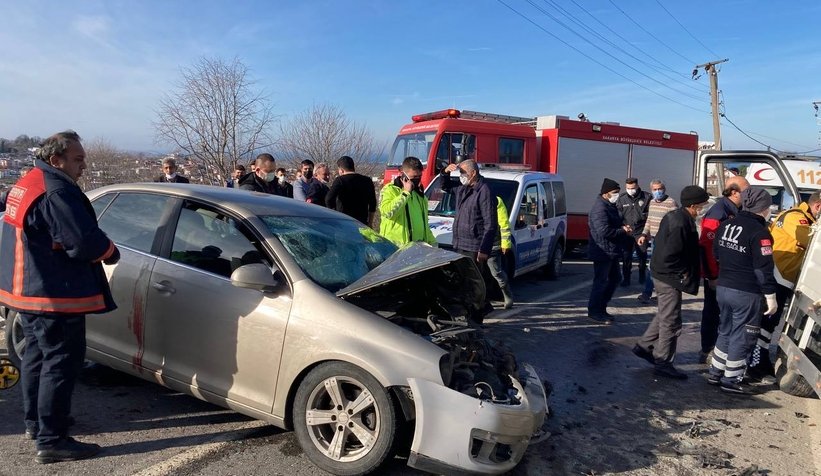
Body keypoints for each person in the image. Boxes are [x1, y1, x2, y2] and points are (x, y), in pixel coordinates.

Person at [0, 131, 119, 463]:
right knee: (61, 363)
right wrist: (110, 251)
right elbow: (83, 243)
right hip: (53, 294)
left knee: (38, 359)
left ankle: (36, 423)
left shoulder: (29, 181)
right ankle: (53, 440)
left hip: (29, 292)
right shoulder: (56, 191)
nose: (83, 166)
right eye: (78, 160)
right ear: (57, 160)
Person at [633, 186, 710, 379]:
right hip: (668, 277)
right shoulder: (680, 222)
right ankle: (663, 362)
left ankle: (644, 346)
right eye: (702, 205)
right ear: (693, 206)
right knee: (671, 321)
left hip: (663, 274)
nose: (703, 209)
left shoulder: (677, 216)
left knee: (664, 314)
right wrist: (682, 274)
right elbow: (671, 254)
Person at [708, 188, 777, 395]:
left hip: (724, 287)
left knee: (726, 330)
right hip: (746, 292)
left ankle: (715, 372)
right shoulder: (760, 232)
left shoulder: (726, 225)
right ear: (763, 208)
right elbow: (763, 269)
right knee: (744, 335)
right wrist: (771, 295)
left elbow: (716, 253)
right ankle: (731, 379)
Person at [747, 191, 821, 380]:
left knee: (771, 324)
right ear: (818, 206)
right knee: (766, 323)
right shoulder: (797, 219)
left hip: (783, 277)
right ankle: (755, 364)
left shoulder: (802, 217)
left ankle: (761, 361)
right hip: (778, 276)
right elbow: (810, 241)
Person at [699, 175, 750, 362]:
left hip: (729, 273)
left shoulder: (736, 210)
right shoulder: (718, 212)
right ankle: (708, 349)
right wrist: (712, 276)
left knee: (724, 313)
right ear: (734, 192)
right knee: (712, 311)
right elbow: (707, 245)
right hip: (717, 275)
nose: (748, 194)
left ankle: (721, 348)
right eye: (746, 190)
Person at [442, 160, 499, 313]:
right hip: (460, 244)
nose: (461, 176)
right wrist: (445, 172)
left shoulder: (484, 191)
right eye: (459, 172)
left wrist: (484, 249)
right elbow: (445, 187)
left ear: (473, 173)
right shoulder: (463, 189)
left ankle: (478, 314)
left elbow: (490, 224)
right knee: (462, 284)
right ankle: (467, 313)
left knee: (475, 285)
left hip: (474, 247)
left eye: (463, 173)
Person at [587, 178, 631, 323]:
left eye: (618, 192)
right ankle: (595, 311)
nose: (617, 195)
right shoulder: (600, 208)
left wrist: (623, 226)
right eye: (614, 192)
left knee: (615, 279)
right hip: (603, 251)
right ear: (605, 193)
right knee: (601, 281)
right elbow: (604, 231)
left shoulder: (609, 205)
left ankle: (601, 307)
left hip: (611, 250)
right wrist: (622, 231)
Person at [379, 156, 437, 246]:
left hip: (416, 249)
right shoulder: (390, 190)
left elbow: (424, 224)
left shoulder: (419, 196)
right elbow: (387, 212)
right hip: (394, 248)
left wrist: (432, 243)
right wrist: (405, 193)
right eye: (413, 177)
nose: (417, 179)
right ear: (403, 174)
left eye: (419, 176)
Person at [636, 179, 679, 303]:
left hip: (666, 240)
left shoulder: (671, 203)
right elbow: (649, 219)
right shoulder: (652, 202)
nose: (658, 191)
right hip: (655, 239)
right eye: (655, 189)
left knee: (662, 267)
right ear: (651, 190)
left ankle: (656, 293)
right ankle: (650, 293)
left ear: (664, 189)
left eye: (660, 189)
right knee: (653, 267)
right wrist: (644, 234)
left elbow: (676, 223)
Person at [617, 177, 651, 286]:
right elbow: (617, 215)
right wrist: (622, 226)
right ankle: (626, 279)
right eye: (628, 188)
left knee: (642, 256)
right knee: (626, 257)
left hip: (641, 232)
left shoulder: (646, 197)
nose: (630, 190)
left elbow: (650, 215)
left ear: (637, 186)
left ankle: (642, 277)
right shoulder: (621, 198)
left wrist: (647, 232)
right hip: (627, 233)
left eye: (632, 188)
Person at [325, 156, 377, 225]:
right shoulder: (367, 181)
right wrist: (370, 222)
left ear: (341, 170)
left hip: (343, 222)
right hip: (361, 222)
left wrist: (334, 214)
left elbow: (328, 199)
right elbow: (372, 203)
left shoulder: (340, 180)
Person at [488, 196, 514, 309]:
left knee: (496, 272)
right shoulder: (471, 196)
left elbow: (504, 224)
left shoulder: (496, 200)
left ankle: (507, 294)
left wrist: (505, 243)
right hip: (475, 244)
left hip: (493, 243)